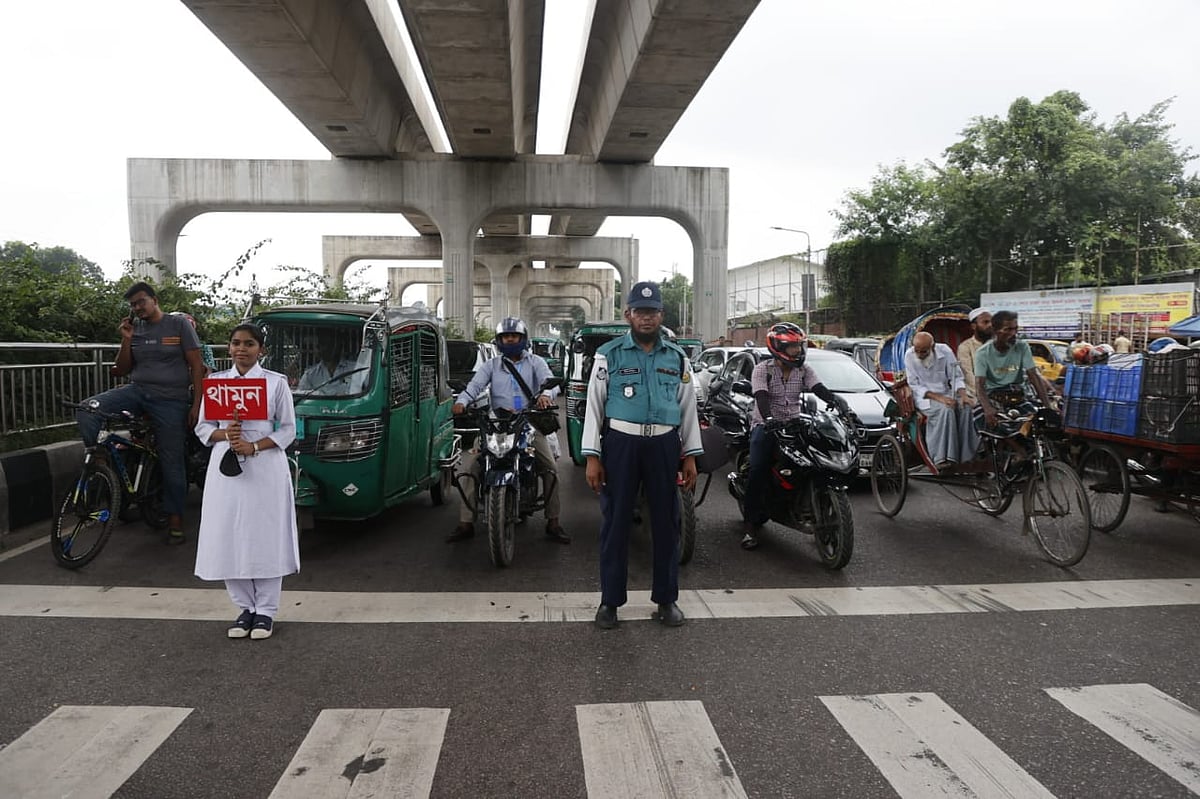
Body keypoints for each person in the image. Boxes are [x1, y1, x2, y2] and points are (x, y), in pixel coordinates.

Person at [582, 281, 702, 629]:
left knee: (667, 522)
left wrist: (690, 454)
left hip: (664, 444)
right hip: (622, 442)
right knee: (616, 522)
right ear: (628, 315)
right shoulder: (610, 353)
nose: (646, 318)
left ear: (661, 315)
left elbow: (687, 406)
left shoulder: (676, 357)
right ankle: (610, 602)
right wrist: (593, 455)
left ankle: (666, 600)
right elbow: (595, 405)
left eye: (652, 312)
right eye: (639, 311)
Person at [76, 281, 205, 545]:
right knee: (87, 408)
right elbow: (122, 369)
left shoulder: (178, 325)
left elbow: (196, 366)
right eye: (133, 304)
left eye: (141, 302)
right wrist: (126, 339)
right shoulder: (136, 329)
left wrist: (196, 405)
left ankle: (175, 518)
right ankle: (98, 462)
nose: (137, 308)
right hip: (137, 391)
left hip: (170, 400)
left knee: (172, 461)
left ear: (154, 299)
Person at [194, 324, 299, 640]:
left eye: (249, 344)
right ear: (229, 348)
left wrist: (254, 446)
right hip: (226, 465)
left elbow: (287, 430)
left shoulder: (275, 384)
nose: (242, 349)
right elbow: (202, 428)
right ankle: (244, 608)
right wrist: (226, 435)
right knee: (229, 532)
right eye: (236, 343)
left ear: (261, 350)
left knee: (265, 533)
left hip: (264, 465)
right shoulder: (215, 384)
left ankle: (266, 611)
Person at [449, 317, 569, 544]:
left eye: (514, 336)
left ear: (523, 339)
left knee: (550, 469)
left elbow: (549, 384)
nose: (510, 339)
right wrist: (462, 402)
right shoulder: (491, 366)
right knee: (472, 467)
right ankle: (465, 523)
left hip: (528, 423)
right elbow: (474, 387)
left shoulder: (536, 362)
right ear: (499, 341)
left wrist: (545, 396)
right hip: (496, 424)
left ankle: (553, 521)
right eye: (506, 336)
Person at [741, 322, 853, 550]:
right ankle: (751, 526)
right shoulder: (763, 370)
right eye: (793, 347)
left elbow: (819, 388)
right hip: (766, 425)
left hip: (795, 423)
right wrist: (769, 419)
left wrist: (837, 402)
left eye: (799, 346)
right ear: (778, 347)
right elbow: (761, 397)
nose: (798, 351)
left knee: (813, 462)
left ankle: (809, 505)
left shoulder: (804, 370)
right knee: (758, 469)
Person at [974, 310, 1054, 439]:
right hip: (993, 397)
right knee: (990, 419)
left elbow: (1033, 376)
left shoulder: (1022, 346)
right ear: (995, 330)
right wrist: (987, 408)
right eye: (1008, 329)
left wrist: (1047, 406)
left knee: (1037, 420)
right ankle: (1019, 452)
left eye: (1015, 329)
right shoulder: (983, 353)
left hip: (1017, 395)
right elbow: (980, 385)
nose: (1013, 333)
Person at [904, 331, 977, 472]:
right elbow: (914, 385)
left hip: (946, 392)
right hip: (925, 397)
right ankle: (942, 457)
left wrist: (963, 396)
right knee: (946, 409)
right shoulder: (909, 355)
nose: (919, 354)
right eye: (917, 351)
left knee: (966, 408)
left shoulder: (945, 351)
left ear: (933, 347)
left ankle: (967, 456)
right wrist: (940, 398)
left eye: (923, 351)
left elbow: (956, 376)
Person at [297, 328, 366, 395]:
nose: (325, 348)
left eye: (330, 343)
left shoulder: (357, 369)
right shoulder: (310, 375)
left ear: (338, 345)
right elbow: (301, 396)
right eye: (322, 345)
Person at [956, 308, 992, 405]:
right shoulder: (965, 347)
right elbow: (968, 376)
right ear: (974, 326)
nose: (990, 325)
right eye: (985, 322)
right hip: (976, 393)